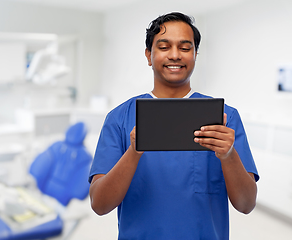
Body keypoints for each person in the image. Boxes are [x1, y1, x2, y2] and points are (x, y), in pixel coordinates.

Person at [88, 12, 259, 239]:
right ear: (149, 55)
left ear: (196, 54)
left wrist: (228, 155)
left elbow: (246, 204)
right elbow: (99, 204)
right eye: (164, 46)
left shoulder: (225, 118)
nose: (175, 55)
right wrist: (134, 152)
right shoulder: (120, 118)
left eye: (185, 48)